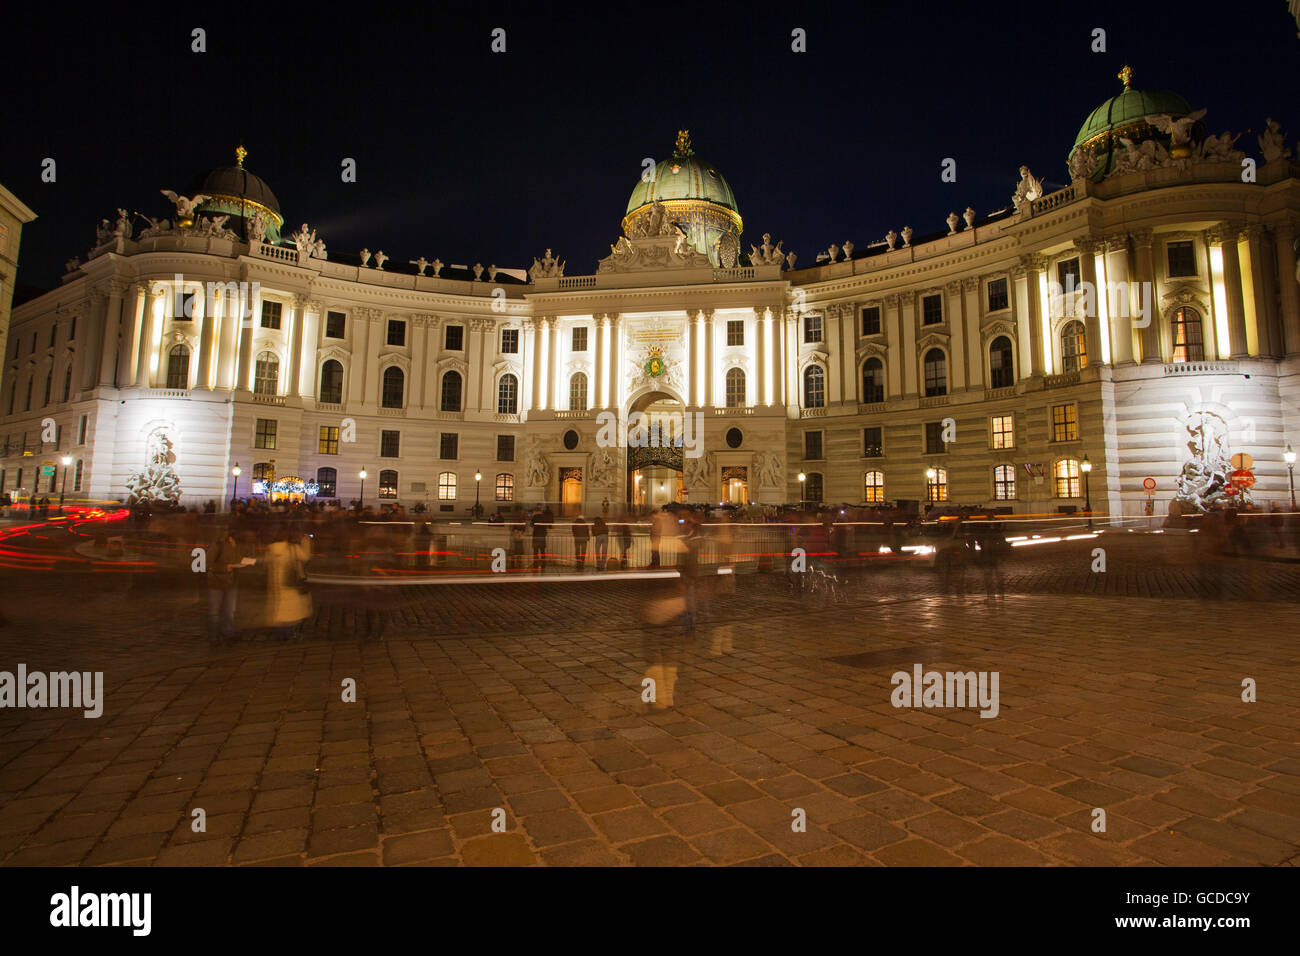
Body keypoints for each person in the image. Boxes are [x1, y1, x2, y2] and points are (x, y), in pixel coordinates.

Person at [264, 525, 312, 641]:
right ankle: (290, 634)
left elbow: (267, 564)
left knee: (278, 611)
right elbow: (305, 557)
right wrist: (306, 542)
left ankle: (280, 635)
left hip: (276, 584)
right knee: (291, 611)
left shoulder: (270, 548)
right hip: (290, 583)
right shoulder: (292, 548)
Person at [206, 526, 251, 644]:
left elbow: (238, 559)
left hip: (231, 582)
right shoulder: (218, 545)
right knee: (214, 612)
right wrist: (224, 567)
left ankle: (228, 632)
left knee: (229, 611)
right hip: (216, 582)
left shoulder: (237, 545)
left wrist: (245, 562)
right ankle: (213, 637)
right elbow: (206, 563)